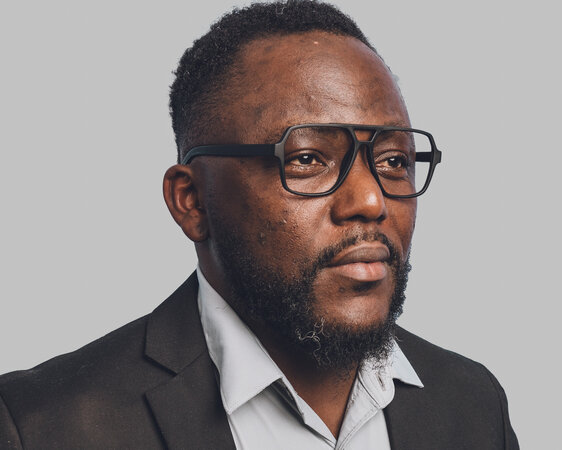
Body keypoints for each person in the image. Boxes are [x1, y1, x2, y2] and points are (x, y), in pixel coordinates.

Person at [0, 1, 518, 449]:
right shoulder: (42, 426)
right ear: (191, 202)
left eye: (393, 161)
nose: (370, 199)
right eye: (308, 159)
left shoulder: (472, 404)